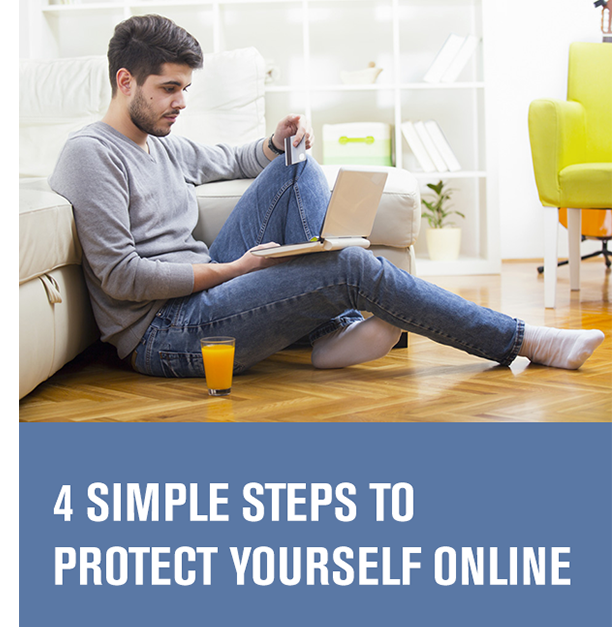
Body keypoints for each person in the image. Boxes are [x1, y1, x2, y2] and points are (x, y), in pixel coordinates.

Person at [49, 14, 604, 379]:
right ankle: (521, 340)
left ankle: (333, 331)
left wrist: (277, 141)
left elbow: (236, 161)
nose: (181, 102)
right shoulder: (90, 155)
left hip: (204, 287)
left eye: (185, 89)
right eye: (169, 89)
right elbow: (121, 276)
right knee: (351, 266)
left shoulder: (160, 142)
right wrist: (231, 271)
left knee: (296, 165)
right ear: (125, 82)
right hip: (164, 333)